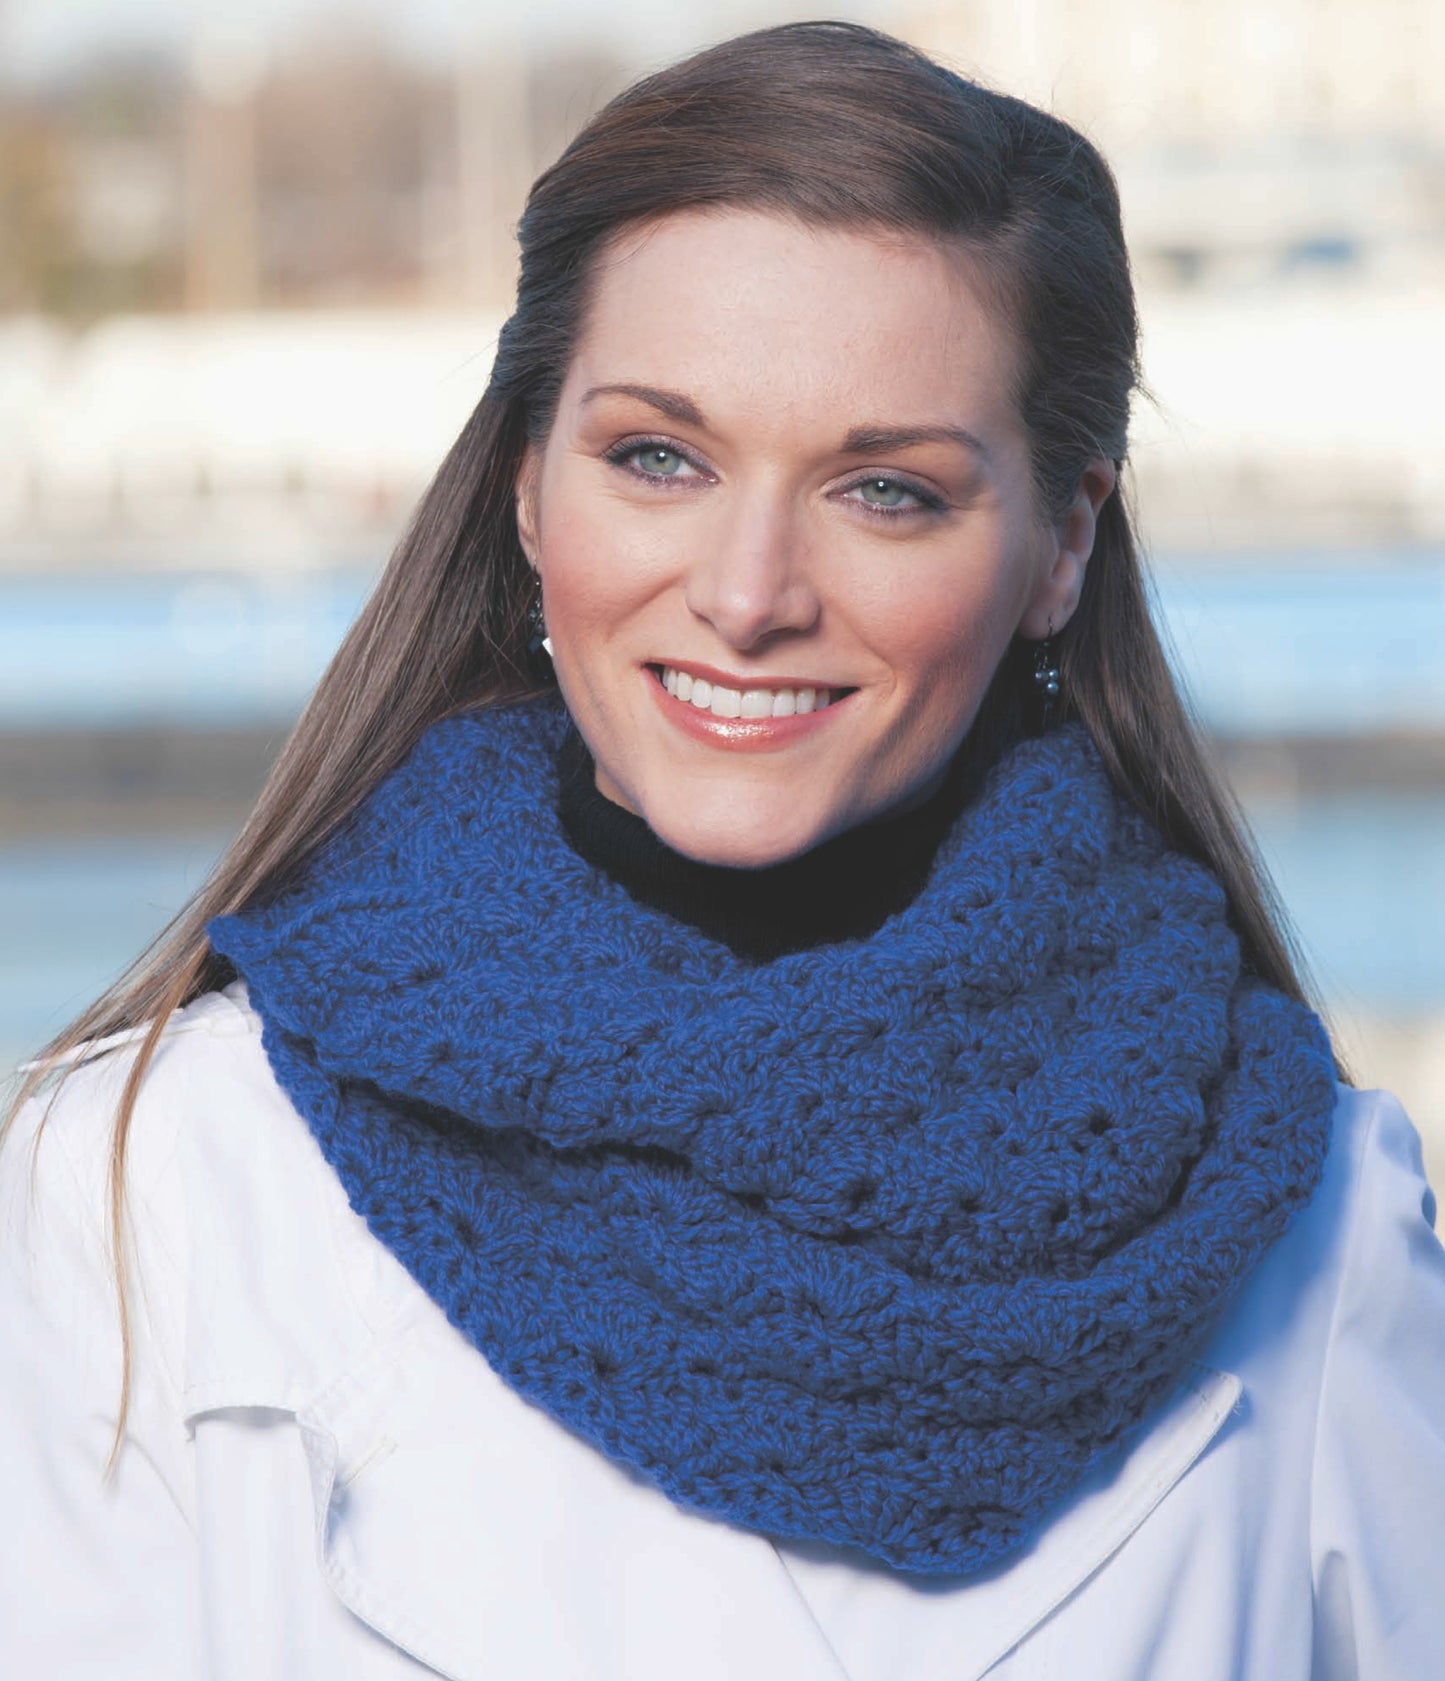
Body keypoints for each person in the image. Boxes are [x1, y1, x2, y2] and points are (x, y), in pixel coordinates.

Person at [2, 21, 1442, 1680]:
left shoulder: (1309, 1225)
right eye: (658, 458)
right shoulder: (149, 1183)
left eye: (885, 490)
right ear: (529, 490)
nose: (750, 592)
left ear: (1059, 544)